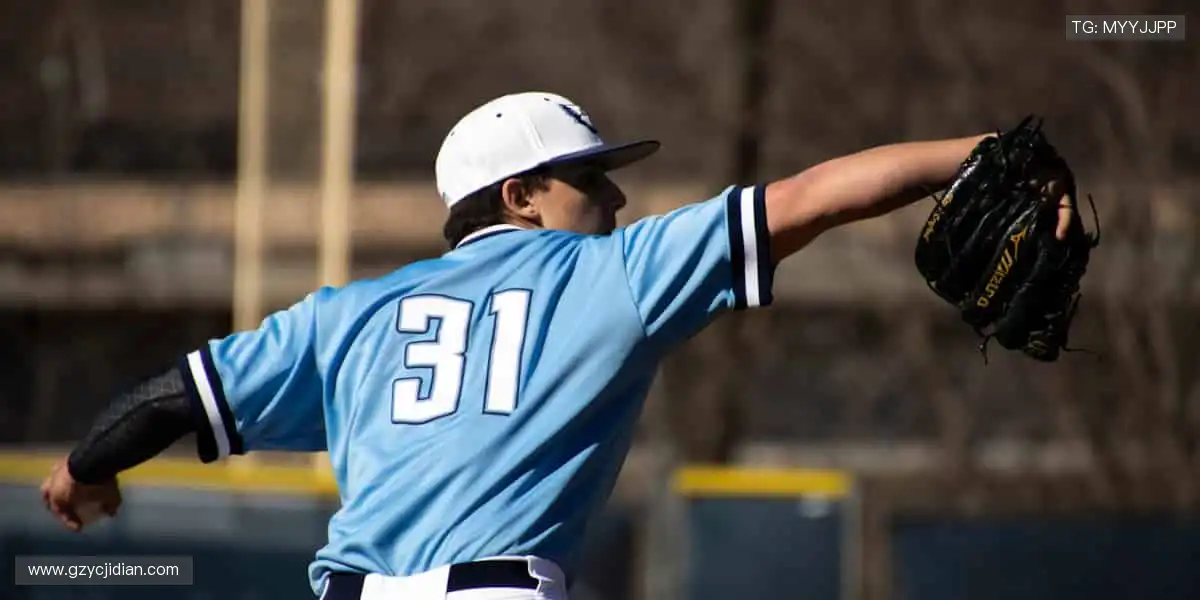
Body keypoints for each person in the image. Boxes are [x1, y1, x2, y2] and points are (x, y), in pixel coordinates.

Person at [40, 91, 1073, 600]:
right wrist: (975, 152)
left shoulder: (344, 317)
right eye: (590, 177)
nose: (614, 195)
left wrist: (83, 471)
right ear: (522, 196)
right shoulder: (611, 276)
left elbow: (172, 398)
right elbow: (808, 198)